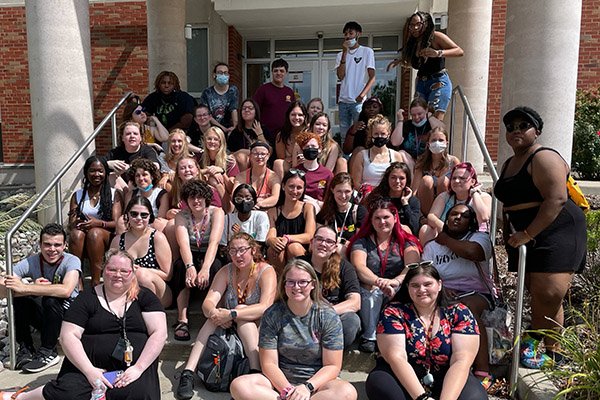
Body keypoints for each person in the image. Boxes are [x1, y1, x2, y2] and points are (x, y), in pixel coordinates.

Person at [2, 250, 168, 400]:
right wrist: (90, 371)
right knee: (69, 394)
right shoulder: (86, 298)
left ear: (132, 274)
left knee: (140, 395)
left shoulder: (145, 297)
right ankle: (22, 397)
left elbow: (159, 333)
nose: (118, 275)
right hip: (88, 366)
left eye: (124, 271)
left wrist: (138, 368)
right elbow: (68, 335)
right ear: (103, 270)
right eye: (112, 269)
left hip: (133, 367)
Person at [494, 106, 587, 368]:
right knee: (538, 294)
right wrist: (510, 232)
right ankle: (553, 350)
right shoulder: (510, 163)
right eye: (510, 127)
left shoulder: (544, 157)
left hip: (556, 229)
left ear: (538, 131)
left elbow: (556, 199)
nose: (515, 131)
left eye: (523, 125)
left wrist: (528, 233)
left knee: (548, 292)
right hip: (524, 233)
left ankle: (537, 343)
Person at [229, 259, 358, 400]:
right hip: (279, 384)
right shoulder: (273, 314)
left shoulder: (327, 315)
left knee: (347, 392)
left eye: (303, 282)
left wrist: (307, 387)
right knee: (240, 385)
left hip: (316, 384)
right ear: (284, 285)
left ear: (313, 284)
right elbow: (268, 364)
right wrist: (289, 391)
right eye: (290, 282)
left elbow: (332, 365)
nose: (296, 287)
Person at [175, 233, 277, 400]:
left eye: (242, 250)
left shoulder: (266, 271)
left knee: (243, 313)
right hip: (230, 326)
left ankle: (255, 371)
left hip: (257, 328)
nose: (237, 255)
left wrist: (233, 313)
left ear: (253, 250)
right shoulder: (226, 271)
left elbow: (266, 307)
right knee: (211, 319)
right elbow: (207, 303)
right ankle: (188, 373)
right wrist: (216, 314)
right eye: (233, 251)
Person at [365, 263, 487, 400]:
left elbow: (461, 360)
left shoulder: (459, 312)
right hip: (402, 376)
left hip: (448, 376)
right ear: (407, 288)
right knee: (379, 383)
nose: (421, 290)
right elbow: (396, 357)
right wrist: (422, 398)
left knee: (476, 397)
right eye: (415, 286)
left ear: (439, 285)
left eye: (428, 284)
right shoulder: (393, 312)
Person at [423, 204, 494, 390]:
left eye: (464, 216)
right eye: (453, 214)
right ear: (446, 219)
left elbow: (473, 253)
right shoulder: (432, 247)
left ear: (471, 222)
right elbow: (426, 275)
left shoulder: (480, 238)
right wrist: (442, 288)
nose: (457, 218)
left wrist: (446, 240)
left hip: (477, 293)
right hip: (442, 292)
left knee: (466, 309)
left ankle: (482, 370)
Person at [0, 223, 81, 373]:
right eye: (47, 244)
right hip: (46, 317)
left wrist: (26, 287)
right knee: (20, 300)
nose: (52, 249)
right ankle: (26, 349)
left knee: (51, 299)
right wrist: (27, 290)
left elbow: (66, 290)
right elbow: (2, 288)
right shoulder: (32, 261)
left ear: (65, 246)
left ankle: (48, 351)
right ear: (40, 245)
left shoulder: (72, 261)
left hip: (69, 317)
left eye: (57, 245)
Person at [349, 197, 421, 353]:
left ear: (395, 218)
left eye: (386, 217)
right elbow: (359, 266)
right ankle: (370, 336)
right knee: (372, 289)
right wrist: (379, 281)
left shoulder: (406, 241)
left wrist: (395, 281)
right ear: (371, 221)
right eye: (377, 218)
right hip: (371, 287)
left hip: (397, 287)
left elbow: (412, 266)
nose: (382, 222)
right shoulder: (361, 242)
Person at [171, 180, 224, 341]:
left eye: (200, 197)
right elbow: (183, 244)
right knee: (180, 266)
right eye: (192, 197)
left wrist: (206, 267)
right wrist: (190, 266)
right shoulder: (181, 215)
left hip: (210, 252)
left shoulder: (217, 212)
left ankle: (216, 314)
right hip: (191, 253)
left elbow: (214, 242)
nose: (196, 201)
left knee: (217, 266)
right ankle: (182, 318)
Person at [387, 12, 463, 121]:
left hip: (438, 81)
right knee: (418, 118)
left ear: (426, 23)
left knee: (433, 119)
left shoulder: (435, 37)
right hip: (422, 83)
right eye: (411, 25)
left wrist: (438, 53)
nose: (415, 28)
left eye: (418, 24)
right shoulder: (413, 43)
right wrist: (401, 62)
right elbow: (420, 64)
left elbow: (459, 51)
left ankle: (436, 137)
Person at [300, 226, 361, 348]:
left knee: (351, 321)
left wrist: (324, 312)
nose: (323, 244)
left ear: (334, 247)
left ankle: (329, 356)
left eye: (329, 241)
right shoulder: (299, 265)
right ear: (311, 243)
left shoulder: (344, 267)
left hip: (333, 318)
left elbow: (355, 302)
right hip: (303, 317)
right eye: (319, 239)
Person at [68, 156, 122, 286]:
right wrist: (80, 223)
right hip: (84, 236)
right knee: (76, 234)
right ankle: (77, 281)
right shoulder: (78, 195)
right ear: (86, 172)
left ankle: (95, 282)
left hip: (106, 236)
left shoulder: (114, 194)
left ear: (106, 173)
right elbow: (71, 223)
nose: (96, 174)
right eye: (92, 171)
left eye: (100, 171)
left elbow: (117, 223)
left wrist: (98, 223)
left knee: (95, 233)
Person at [111, 196, 173, 308]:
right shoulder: (118, 241)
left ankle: (149, 312)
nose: (139, 218)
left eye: (144, 215)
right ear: (127, 216)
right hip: (128, 289)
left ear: (150, 217)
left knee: (142, 275)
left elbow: (167, 275)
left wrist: (140, 270)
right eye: (134, 214)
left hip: (160, 293)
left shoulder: (157, 237)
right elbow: (110, 270)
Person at [420, 162, 492, 245]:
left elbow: (484, 217)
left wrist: (474, 193)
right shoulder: (445, 196)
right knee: (426, 229)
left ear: (472, 181)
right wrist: (447, 229)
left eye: (462, 178)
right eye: (454, 178)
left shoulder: (483, 197)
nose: (457, 181)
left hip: (471, 240)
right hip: (447, 236)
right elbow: (431, 217)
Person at [266, 170, 316, 273]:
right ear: (283, 186)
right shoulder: (273, 211)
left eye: (299, 188)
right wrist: (272, 241)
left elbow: (310, 236)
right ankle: (280, 282)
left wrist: (287, 239)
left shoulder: (308, 207)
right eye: (291, 186)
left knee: (294, 247)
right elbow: (271, 236)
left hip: (301, 251)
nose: (295, 191)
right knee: (273, 249)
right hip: (280, 253)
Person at [335, 21, 376, 147]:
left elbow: (372, 76)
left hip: (358, 101)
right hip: (343, 101)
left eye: (351, 33)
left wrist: (362, 94)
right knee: (344, 134)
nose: (348, 36)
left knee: (361, 132)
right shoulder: (340, 55)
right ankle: (346, 159)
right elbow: (340, 76)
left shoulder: (367, 51)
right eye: (345, 34)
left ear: (358, 34)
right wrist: (344, 53)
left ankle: (359, 157)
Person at [351, 114, 409, 200]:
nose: (380, 137)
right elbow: (356, 183)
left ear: (388, 134)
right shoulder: (361, 156)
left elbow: (401, 179)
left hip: (390, 198)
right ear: (371, 135)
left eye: (383, 134)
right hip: (368, 198)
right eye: (376, 134)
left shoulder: (396, 156)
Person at [412, 127, 460, 216]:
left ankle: (443, 218)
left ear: (447, 143)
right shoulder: (421, 162)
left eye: (441, 140)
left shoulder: (453, 162)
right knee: (427, 180)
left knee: (444, 181)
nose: (437, 143)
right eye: (433, 140)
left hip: (446, 206)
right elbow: (414, 191)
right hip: (425, 205)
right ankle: (428, 218)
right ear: (428, 144)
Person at [316, 172, 367, 253]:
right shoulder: (324, 213)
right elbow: (319, 238)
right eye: (339, 191)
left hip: (352, 253)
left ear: (352, 190)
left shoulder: (359, 211)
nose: (343, 196)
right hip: (329, 253)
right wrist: (342, 241)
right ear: (332, 190)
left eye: (347, 191)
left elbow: (360, 239)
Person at [368, 162, 421, 235]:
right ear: (388, 179)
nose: (397, 181)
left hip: (404, 237)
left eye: (401, 178)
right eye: (393, 177)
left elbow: (414, 228)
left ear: (407, 180)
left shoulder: (413, 201)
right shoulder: (378, 198)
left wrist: (405, 203)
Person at [103, 121, 160, 190]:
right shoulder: (115, 152)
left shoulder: (147, 150)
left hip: (142, 188)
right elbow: (96, 164)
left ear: (140, 137)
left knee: (132, 183)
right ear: (122, 138)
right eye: (128, 134)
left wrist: (131, 169)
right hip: (123, 189)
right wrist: (108, 164)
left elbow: (156, 166)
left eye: (135, 134)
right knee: (112, 176)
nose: (132, 136)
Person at [390, 97, 445, 167]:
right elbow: (395, 142)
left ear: (426, 110)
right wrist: (400, 120)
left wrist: (430, 117)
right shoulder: (407, 125)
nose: (416, 117)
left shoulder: (430, 124)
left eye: (419, 114)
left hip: (427, 162)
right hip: (410, 163)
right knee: (401, 153)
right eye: (413, 115)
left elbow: (442, 131)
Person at [119, 158, 169, 232]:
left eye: (144, 175)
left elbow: (161, 219)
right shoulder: (131, 194)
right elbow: (127, 215)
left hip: (153, 228)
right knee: (121, 221)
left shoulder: (162, 195)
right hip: (134, 226)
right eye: (137, 176)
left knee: (160, 223)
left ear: (152, 176)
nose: (141, 178)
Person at [253, 58, 295, 145]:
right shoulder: (263, 90)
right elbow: (254, 110)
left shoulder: (289, 92)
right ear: (272, 72)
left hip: (285, 135)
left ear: (286, 73)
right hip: (266, 135)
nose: (278, 73)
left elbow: (293, 112)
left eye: (281, 71)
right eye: (275, 71)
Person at [199, 126, 239, 207]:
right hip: (202, 193)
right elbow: (192, 174)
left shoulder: (229, 161)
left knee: (213, 179)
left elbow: (232, 188)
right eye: (209, 139)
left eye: (216, 139)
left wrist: (222, 172)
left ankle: (225, 208)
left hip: (225, 197)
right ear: (205, 141)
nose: (212, 141)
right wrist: (209, 171)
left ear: (221, 142)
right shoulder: (199, 157)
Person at [234, 141, 281, 210]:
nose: (259, 157)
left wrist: (258, 203)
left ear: (268, 156)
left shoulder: (273, 177)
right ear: (250, 156)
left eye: (263, 154)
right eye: (255, 154)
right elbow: (234, 195)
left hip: (264, 212)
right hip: (244, 210)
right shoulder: (241, 176)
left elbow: (274, 198)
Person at [294, 131, 334, 212]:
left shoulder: (327, 174)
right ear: (302, 150)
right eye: (307, 147)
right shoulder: (295, 172)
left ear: (319, 149)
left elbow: (329, 200)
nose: (310, 149)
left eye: (313, 146)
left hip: (319, 212)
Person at [221, 184, 270, 248]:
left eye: (248, 198)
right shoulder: (227, 219)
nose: (244, 201)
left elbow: (260, 245)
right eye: (239, 198)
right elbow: (222, 246)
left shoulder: (260, 217)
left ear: (254, 201)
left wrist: (240, 235)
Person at [200, 62, 239, 135]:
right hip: (212, 130)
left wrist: (235, 126)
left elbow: (233, 109)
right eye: (220, 73)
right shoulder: (207, 93)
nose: (223, 75)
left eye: (225, 73)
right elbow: (206, 114)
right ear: (214, 75)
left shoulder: (233, 90)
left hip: (229, 130)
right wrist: (221, 128)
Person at [227, 98, 270, 165]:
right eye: (244, 108)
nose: (247, 110)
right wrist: (241, 152)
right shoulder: (236, 132)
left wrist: (260, 134)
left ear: (256, 111)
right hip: (241, 167)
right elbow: (229, 154)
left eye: (250, 108)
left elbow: (270, 151)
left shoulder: (264, 129)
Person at [274, 101, 308, 179]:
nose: (296, 118)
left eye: (300, 115)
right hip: (290, 167)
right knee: (278, 163)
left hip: (307, 165)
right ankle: (279, 190)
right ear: (288, 116)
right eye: (293, 114)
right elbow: (282, 158)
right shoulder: (282, 135)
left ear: (305, 117)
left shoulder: (310, 132)